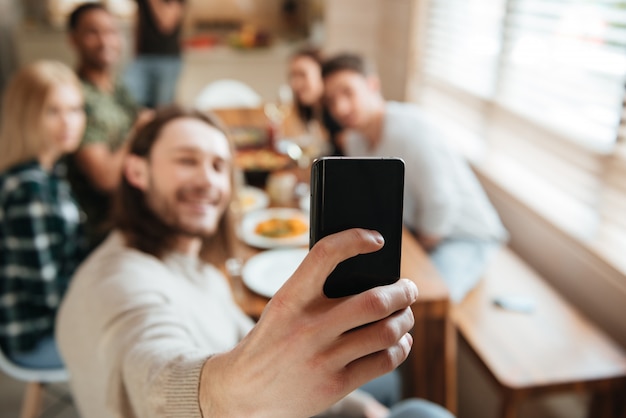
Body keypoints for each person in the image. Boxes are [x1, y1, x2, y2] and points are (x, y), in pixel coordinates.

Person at [56, 106, 454, 418]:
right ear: (136, 171)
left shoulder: (196, 269)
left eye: (218, 166)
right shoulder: (118, 280)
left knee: (386, 388)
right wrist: (226, 392)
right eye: (186, 160)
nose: (209, 181)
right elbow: (151, 373)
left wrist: (356, 408)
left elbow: (241, 339)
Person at [321, 53, 508, 303]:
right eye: (331, 101)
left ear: (372, 85)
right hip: (416, 229)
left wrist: (411, 255)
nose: (340, 108)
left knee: (419, 302)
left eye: (347, 92)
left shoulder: (409, 130)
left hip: (464, 236)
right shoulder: (355, 140)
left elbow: (442, 203)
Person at [0, 60, 88, 368]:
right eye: (53, 111)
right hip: (36, 336)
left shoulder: (49, 172)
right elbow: (47, 295)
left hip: (53, 323)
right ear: (26, 115)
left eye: (75, 109)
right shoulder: (30, 191)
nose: (69, 122)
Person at [67, 3, 151, 247]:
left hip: (135, 208)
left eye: (112, 31)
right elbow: (105, 178)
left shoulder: (116, 86)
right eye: (93, 32)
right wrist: (138, 130)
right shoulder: (75, 98)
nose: (105, 41)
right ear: (74, 40)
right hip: (107, 229)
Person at [124, 0, 185, 108]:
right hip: (142, 58)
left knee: (161, 110)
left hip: (166, 60)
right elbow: (139, 21)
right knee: (130, 103)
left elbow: (166, 23)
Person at [288, 47, 344, 156]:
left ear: (323, 75)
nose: (295, 84)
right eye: (292, 76)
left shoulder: (338, 115)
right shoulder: (311, 109)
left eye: (302, 75)